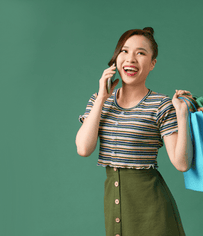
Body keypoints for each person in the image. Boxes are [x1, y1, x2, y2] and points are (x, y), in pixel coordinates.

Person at [75, 27, 193, 236]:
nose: (131, 59)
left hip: (153, 210)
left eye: (141, 53)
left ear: (152, 63)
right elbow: (84, 148)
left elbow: (181, 163)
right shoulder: (98, 101)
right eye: (124, 51)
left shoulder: (161, 105)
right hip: (115, 206)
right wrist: (102, 98)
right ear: (116, 58)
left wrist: (182, 115)